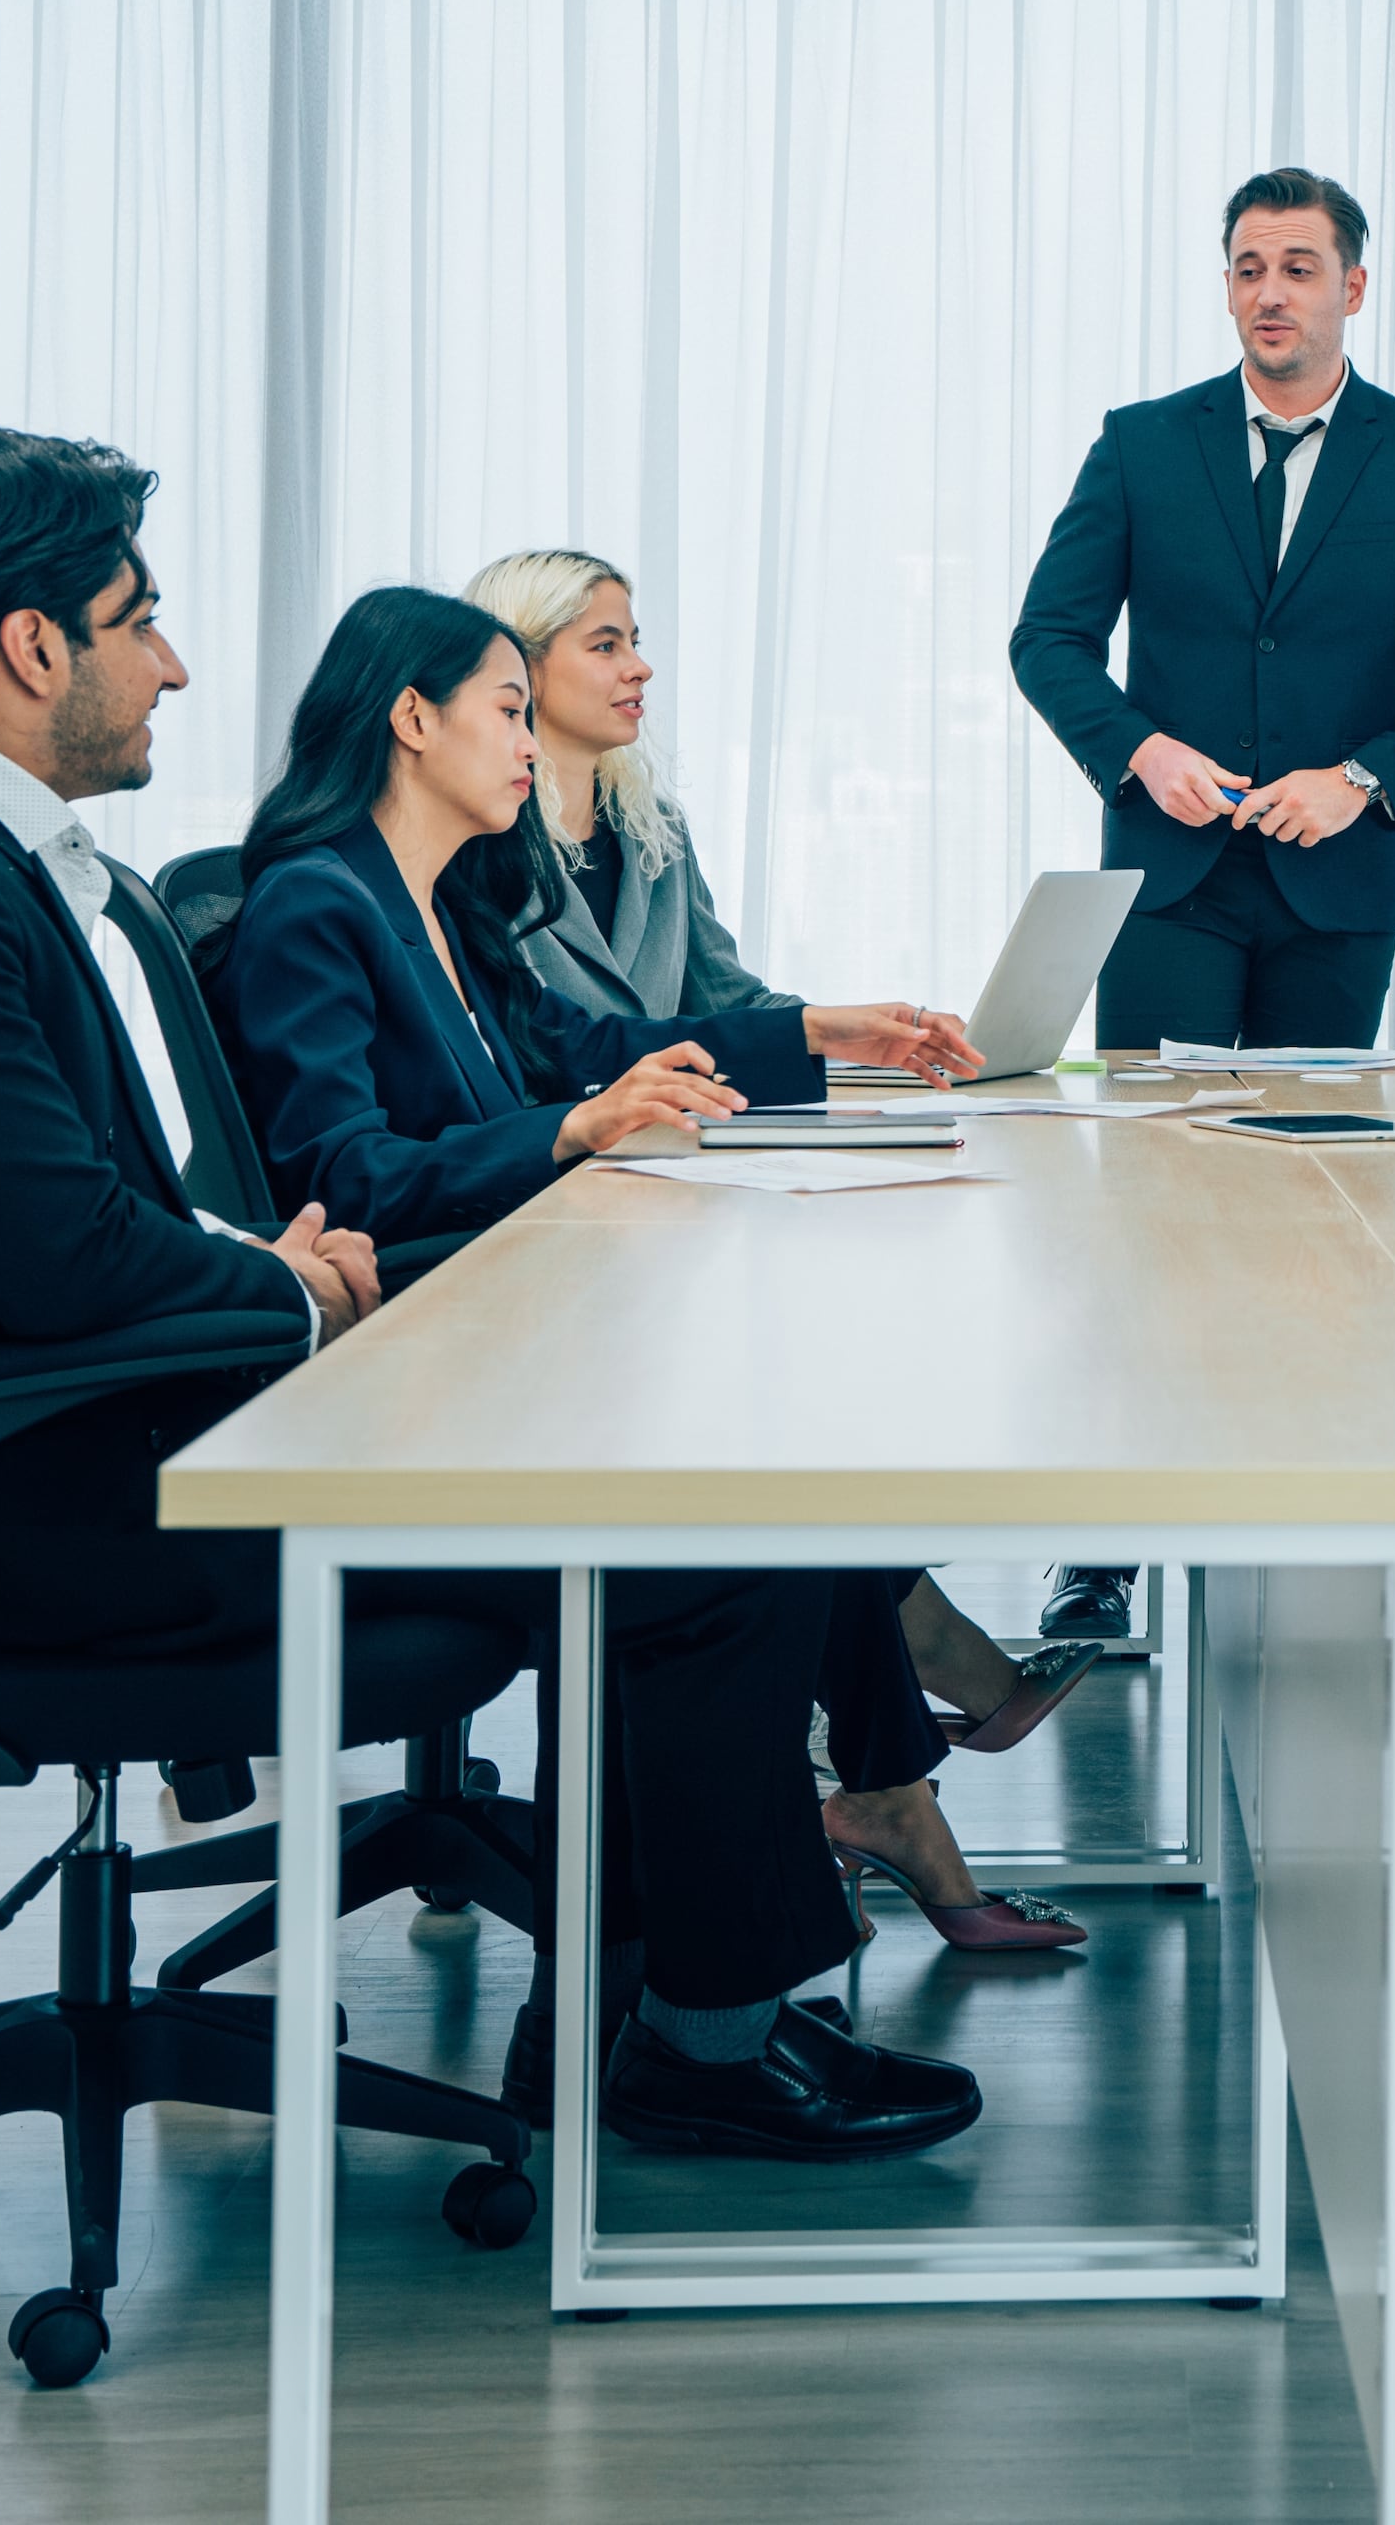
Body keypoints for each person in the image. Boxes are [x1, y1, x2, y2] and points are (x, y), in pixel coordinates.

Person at [0, 422, 977, 2170]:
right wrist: (301, 1287)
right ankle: (700, 2040)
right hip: (64, 1507)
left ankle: (659, 2002)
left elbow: (93, 1219)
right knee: (709, 1538)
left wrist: (273, 1271)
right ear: (31, 648)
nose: (169, 662)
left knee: (710, 1501)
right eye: (135, 618)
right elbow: (70, 1254)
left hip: (122, 1433)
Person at [206, 589, 1089, 1963]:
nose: (524, 745)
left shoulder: (444, 907)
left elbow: (594, 1042)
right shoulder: (317, 907)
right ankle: (760, 1953)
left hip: (514, 1324)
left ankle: (873, 1798)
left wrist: (819, 1028)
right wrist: (569, 1128)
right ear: (411, 716)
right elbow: (346, 1178)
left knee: (800, 1421)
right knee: (766, 1458)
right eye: (507, 711)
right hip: (427, 1361)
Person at [1009, 163, 1395, 1640]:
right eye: (1247, 267)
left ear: (1353, 289)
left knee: (1317, 1221)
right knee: (1153, 1217)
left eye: (1299, 267)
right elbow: (1047, 637)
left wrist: (1369, 776)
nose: (1270, 292)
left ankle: (1301, 1514)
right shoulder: (1139, 446)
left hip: (1335, 888)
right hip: (1168, 884)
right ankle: (1106, 1546)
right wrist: (1137, 747)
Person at [457, 545, 1091, 1756]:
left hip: (681, 1187)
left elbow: (719, 990)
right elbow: (568, 1050)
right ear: (517, 667)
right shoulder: (485, 834)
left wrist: (867, 1047)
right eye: (605, 642)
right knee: (804, 1377)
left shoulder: (645, 817)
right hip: (570, 1214)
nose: (640, 666)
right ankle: (892, 1705)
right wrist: (807, 1038)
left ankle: (887, 1712)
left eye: (635, 637)